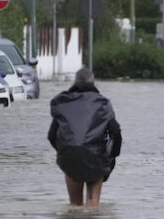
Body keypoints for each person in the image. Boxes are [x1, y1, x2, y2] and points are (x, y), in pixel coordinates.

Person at [47, 67, 122, 207]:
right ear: (93, 82)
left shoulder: (63, 103)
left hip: (69, 159)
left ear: (75, 82)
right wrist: (111, 155)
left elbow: (51, 136)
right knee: (92, 208)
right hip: (96, 160)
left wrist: (65, 151)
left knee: (75, 207)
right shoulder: (103, 103)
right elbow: (116, 132)